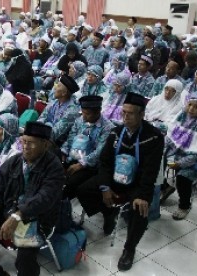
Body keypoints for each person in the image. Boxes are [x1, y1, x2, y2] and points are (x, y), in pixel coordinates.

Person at [76, 92, 164, 271]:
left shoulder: (154, 137)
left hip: (136, 183)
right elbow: (105, 162)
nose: (125, 116)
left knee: (140, 210)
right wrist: (105, 186)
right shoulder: (116, 132)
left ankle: (129, 249)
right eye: (123, 112)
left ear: (141, 114)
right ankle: (108, 212)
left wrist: (142, 196)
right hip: (115, 178)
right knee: (83, 189)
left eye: (130, 113)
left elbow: (150, 171)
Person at [0, 121, 65, 276]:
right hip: (10, 210)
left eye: (31, 143)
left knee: (25, 261)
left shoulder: (54, 168)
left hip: (38, 219)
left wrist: (18, 215)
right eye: (23, 141)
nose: (25, 147)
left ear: (45, 145)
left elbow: (44, 198)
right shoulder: (15, 161)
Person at [162, 92, 197, 219]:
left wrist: (179, 164)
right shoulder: (182, 116)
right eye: (190, 104)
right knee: (159, 160)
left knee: (183, 177)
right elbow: (171, 136)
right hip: (180, 154)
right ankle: (165, 187)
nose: (191, 109)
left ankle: (184, 206)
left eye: (196, 107)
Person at [61, 96, 114, 200]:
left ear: (98, 111)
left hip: (89, 165)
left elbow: (99, 152)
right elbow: (70, 138)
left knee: (69, 184)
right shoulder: (80, 121)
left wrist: (81, 165)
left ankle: (61, 206)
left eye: (87, 114)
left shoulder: (108, 128)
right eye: (83, 113)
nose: (84, 117)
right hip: (72, 157)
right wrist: (64, 152)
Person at [38, 75, 81, 146]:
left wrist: (37, 133)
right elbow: (42, 117)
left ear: (64, 93)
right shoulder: (54, 102)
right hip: (43, 135)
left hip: (56, 143)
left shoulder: (72, 110)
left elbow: (56, 132)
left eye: (58, 86)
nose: (54, 87)